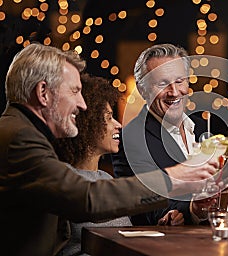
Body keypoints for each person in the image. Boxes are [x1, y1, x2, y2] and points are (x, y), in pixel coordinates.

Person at [0, 43, 217, 256]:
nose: (82, 105)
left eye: (180, 80)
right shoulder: (20, 137)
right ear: (43, 92)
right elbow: (87, 198)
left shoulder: (18, 130)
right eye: (74, 91)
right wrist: (172, 178)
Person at [53, 74, 184, 256]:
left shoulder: (104, 177)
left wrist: (160, 226)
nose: (118, 125)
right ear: (85, 124)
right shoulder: (65, 179)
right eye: (108, 118)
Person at [112, 43, 209, 225]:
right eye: (163, 83)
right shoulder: (131, 139)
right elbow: (146, 205)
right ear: (143, 90)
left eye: (180, 81)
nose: (174, 92)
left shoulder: (204, 128)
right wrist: (191, 210)